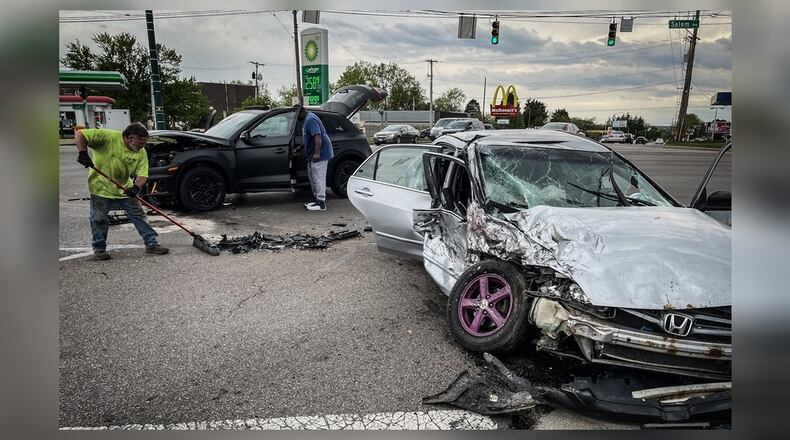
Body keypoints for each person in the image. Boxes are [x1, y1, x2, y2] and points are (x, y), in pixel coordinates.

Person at [75, 122, 169, 260]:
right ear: (130, 138)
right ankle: (99, 249)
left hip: (125, 189)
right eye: (140, 143)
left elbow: (143, 174)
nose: (142, 147)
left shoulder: (141, 152)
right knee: (99, 219)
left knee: (139, 215)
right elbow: (80, 134)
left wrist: (136, 188)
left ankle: (152, 244)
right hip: (100, 187)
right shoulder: (107, 137)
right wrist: (83, 153)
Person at [296, 105, 334, 211]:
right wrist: (300, 147)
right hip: (313, 153)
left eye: (296, 115)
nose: (296, 118)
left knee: (318, 177)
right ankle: (316, 199)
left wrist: (317, 153)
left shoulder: (310, 119)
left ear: (301, 112)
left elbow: (317, 136)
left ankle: (321, 203)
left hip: (320, 153)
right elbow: (309, 138)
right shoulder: (308, 119)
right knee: (313, 178)